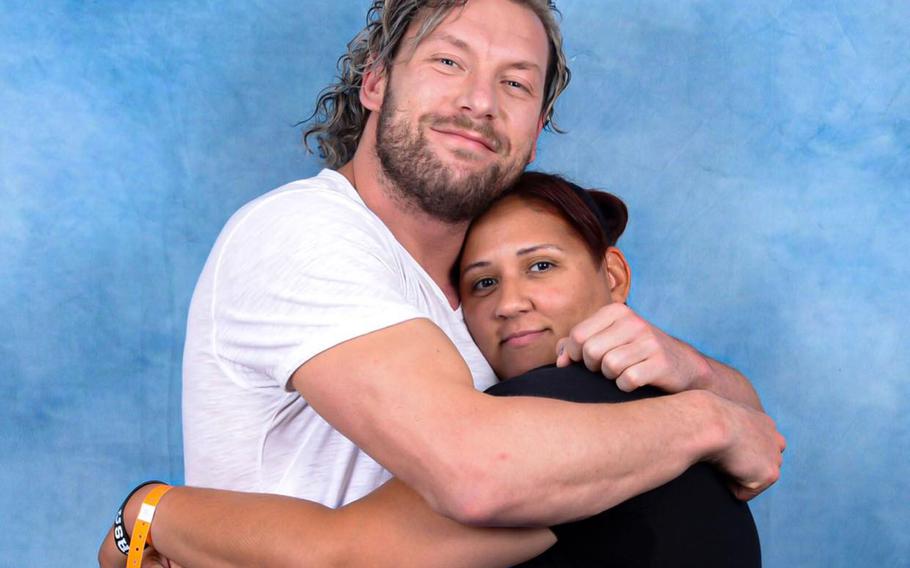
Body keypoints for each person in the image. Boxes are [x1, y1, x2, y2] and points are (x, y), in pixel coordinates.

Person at [180, 0, 781, 539]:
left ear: (537, 131)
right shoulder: (299, 232)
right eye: (448, 62)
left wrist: (691, 369)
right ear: (375, 82)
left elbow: (748, 427)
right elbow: (476, 474)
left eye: (516, 83)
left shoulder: (488, 288)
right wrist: (708, 422)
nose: (479, 102)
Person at [101, 172, 765, 567]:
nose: (511, 303)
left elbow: (342, 556)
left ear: (612, 274)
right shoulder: (656, 403)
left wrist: (147, 513)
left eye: (541, 266)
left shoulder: (566, 417)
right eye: (480, 285)